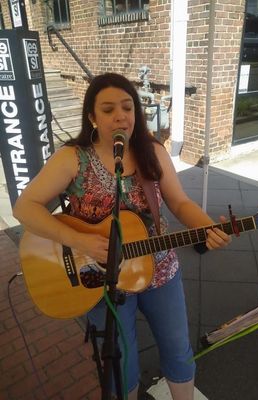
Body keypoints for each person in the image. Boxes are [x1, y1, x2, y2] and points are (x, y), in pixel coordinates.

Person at [13, 72, 231, 400]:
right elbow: (25, 208)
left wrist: (207, 227)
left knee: (178, 349)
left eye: (128, 107)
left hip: (161, 271)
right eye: (108, 109)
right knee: (121, 362)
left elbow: (180, 201)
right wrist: (80, 241)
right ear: (92, 117)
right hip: (100, 279)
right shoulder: (73, 157)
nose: (121, 115)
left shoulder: (152, 151)